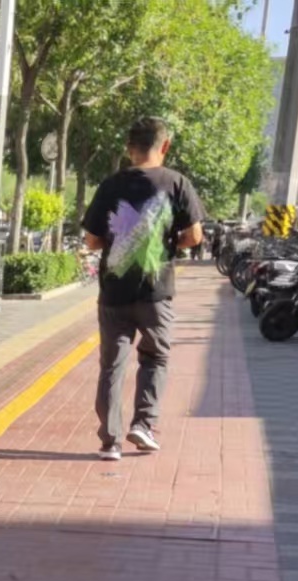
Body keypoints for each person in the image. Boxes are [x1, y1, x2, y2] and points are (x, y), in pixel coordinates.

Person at [80, 116, 205, 462]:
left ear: (129, 149)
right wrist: (164, 245)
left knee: (112, 365)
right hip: (156, 291)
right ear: (165, 145)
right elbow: (195, 236)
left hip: (113, 293)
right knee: (155, 357)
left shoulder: (110, 185)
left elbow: (91, 241)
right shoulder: (177, 183)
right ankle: (143, 425)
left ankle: (110, 442)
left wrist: (121, 243)